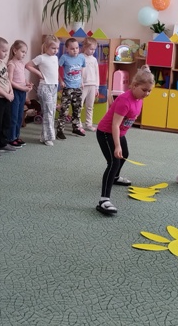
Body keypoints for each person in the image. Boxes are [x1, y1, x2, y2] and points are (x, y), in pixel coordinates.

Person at [95, 65, 155, 215]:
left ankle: (115, 177)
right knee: (113, 162)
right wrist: (117, 146)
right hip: (106, 132)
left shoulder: (139, 98)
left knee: (125, 154)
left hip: (119, 133)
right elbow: (115, 125)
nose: (147, 93)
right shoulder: (125, 101)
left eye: (149, 91)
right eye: (144, 90)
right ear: (134, 86)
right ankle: (104, 200)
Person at [26, 35, 59, 146]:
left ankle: (44, 135)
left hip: (54, 86)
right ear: (46, 47)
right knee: (48, 112)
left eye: (57, 48)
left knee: (52, 111)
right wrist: (39, 73)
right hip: (45, 87)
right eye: (53, 48)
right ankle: (47, 137)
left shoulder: (55, 58)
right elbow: (28, 65)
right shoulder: (41, 57)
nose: (56, 50)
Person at [57, 38, 86, 139]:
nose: (75, 50)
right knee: (64, 110)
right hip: (68, 87)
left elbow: (82, 69)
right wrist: (61, 80)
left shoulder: (81, 57)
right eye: (72, 48)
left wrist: (81, 81)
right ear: (67, 49)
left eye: (77, 48)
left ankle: (76, 128)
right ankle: (60, 130)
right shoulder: (64, 57)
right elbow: (57, 68)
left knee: (77, 109)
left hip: (78, 88)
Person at [7, 40, 33, 148]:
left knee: (19, 116)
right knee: (13, 116)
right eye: (22, 52)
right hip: (15, 92)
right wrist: (22, 88)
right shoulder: (11, 64)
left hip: (22, 92)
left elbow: (22, 77)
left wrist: (27, 84)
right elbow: (10, 81)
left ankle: (16, 136)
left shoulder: (21, 63)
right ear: (14, 50)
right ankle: (11, 138)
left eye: (25, 52)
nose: (24, 54)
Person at [80, 37, 100, 131]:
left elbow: (97, 73)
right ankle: (78, 124)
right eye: (91, 49)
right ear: (85, 47)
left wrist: (97, 87)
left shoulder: (94, 60)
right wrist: (80, 82)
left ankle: (89, 124)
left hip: (92, 85)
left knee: (90, 106)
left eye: (94, 49)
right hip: (83, 85)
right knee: (79, 105)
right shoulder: (80, 57)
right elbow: (78, 71)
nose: (93, 51)